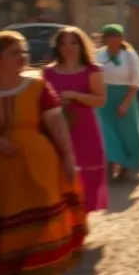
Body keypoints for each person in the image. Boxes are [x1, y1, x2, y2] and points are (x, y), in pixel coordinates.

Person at [0, 31, 88, 275]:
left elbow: (56, 125)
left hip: (36, 172)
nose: (23, 57)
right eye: (15, 52)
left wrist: (68, 159)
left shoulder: (38, 87)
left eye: (24, 51)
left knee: (35, 235)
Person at [43, 26, 109, 214]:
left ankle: (80, 222)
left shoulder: (92, 70)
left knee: (85, 177)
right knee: (60, 175)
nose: (68, 47)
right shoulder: (48, 72)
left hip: (85, 129)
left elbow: (101, 100)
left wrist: (75, 95)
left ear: (81, 45)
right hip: (56, 128)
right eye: (63, 43)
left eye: (73, 42)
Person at [95, 24, 139, 181]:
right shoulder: (99, 55)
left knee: (127, 132)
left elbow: (136, 80)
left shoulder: (129, 55)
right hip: (105, 96)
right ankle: (110, 164)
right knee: (106, 132)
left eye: (116, 36)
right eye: (109, 36)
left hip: (125, 95)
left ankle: (128, 166)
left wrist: (126, 102)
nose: (112, 39)